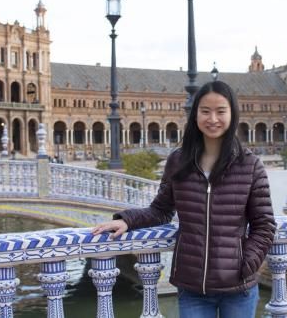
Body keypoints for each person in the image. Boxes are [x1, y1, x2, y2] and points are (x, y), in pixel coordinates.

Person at [92, 80, 276, 318]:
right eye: (205, 111)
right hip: (192, 287)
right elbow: (161, 210)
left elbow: (264, 225)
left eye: (221, 111)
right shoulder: (178, 161)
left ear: (233, 114)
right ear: (195, 115)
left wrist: (246, 263)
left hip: (238, 287)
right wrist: (127, 220)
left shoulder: (250, 165)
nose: (213, 119)